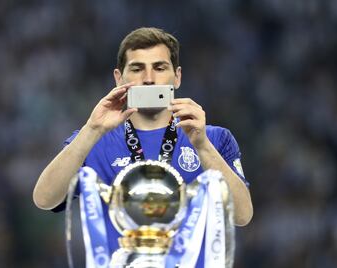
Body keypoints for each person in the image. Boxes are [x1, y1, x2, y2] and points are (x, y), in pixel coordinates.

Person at [33, 27, 253, 266]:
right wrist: (92, 129)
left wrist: (202, 146)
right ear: (119, 78)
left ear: (177, 77)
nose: (149, 78)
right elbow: (44, 198)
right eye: (137, 69)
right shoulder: (93, 140)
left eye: (159, 68)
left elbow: (242, 215)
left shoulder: (214, 138)